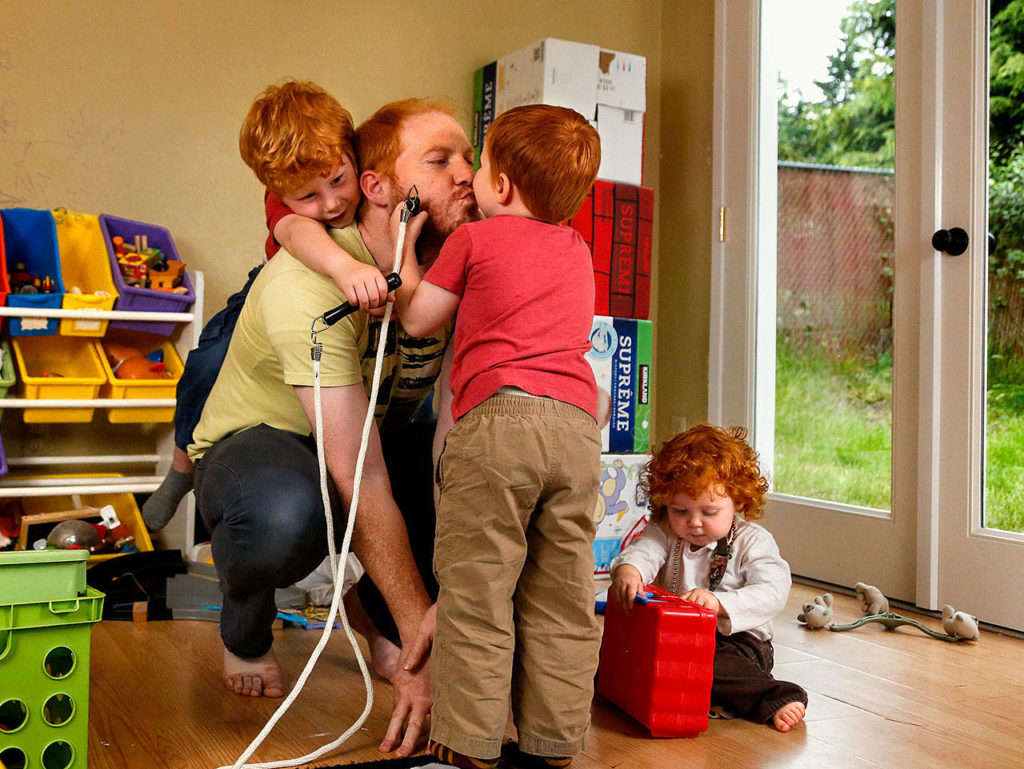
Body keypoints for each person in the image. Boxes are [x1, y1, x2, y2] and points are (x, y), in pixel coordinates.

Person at [188, 97, 479, 758]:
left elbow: (448, 439)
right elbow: (361, 472)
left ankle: (363, 605)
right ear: (378, 187)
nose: (466, 173)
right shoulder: (306, 281)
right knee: (281, 519)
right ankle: (246, 620)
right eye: (440, 161)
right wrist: (416, 635)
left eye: (469, 157)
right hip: (266, 441)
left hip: (375, 432)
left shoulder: (458, 266)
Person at [394, 104, 603, 769]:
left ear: (503, 185)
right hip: (576, 431)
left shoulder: (474, 240)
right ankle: (555, 745)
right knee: (562, 596)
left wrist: (404, 249)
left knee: (478, 592)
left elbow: (421, 317)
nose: (473, 177)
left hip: (498, 427)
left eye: (480, 165)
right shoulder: (578, 249)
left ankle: (466, 747)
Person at [142, 79, 391, 530]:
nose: (332, 203)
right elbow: (299, 233)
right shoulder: (285, 202)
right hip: (280, 290)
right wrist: (345, 269)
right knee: (207, 358)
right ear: (277, 191)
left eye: (338, 181)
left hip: (355, 291)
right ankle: (181, 470)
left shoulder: (362, 166)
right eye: (308, 197)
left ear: (352, 155)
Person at [609, 424, 808, 733]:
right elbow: (645, 551)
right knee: (622, 659)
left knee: (705, 666)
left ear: (739, 502)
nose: (694, 522)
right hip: (675, 636)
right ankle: (697, 693)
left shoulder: (752, 540)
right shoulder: (665, 531)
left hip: (736, 643)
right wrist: (629, 571)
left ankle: (775, 695)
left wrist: (720, 603)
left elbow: (774, 591)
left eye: (710, 512)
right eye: (681, 510)